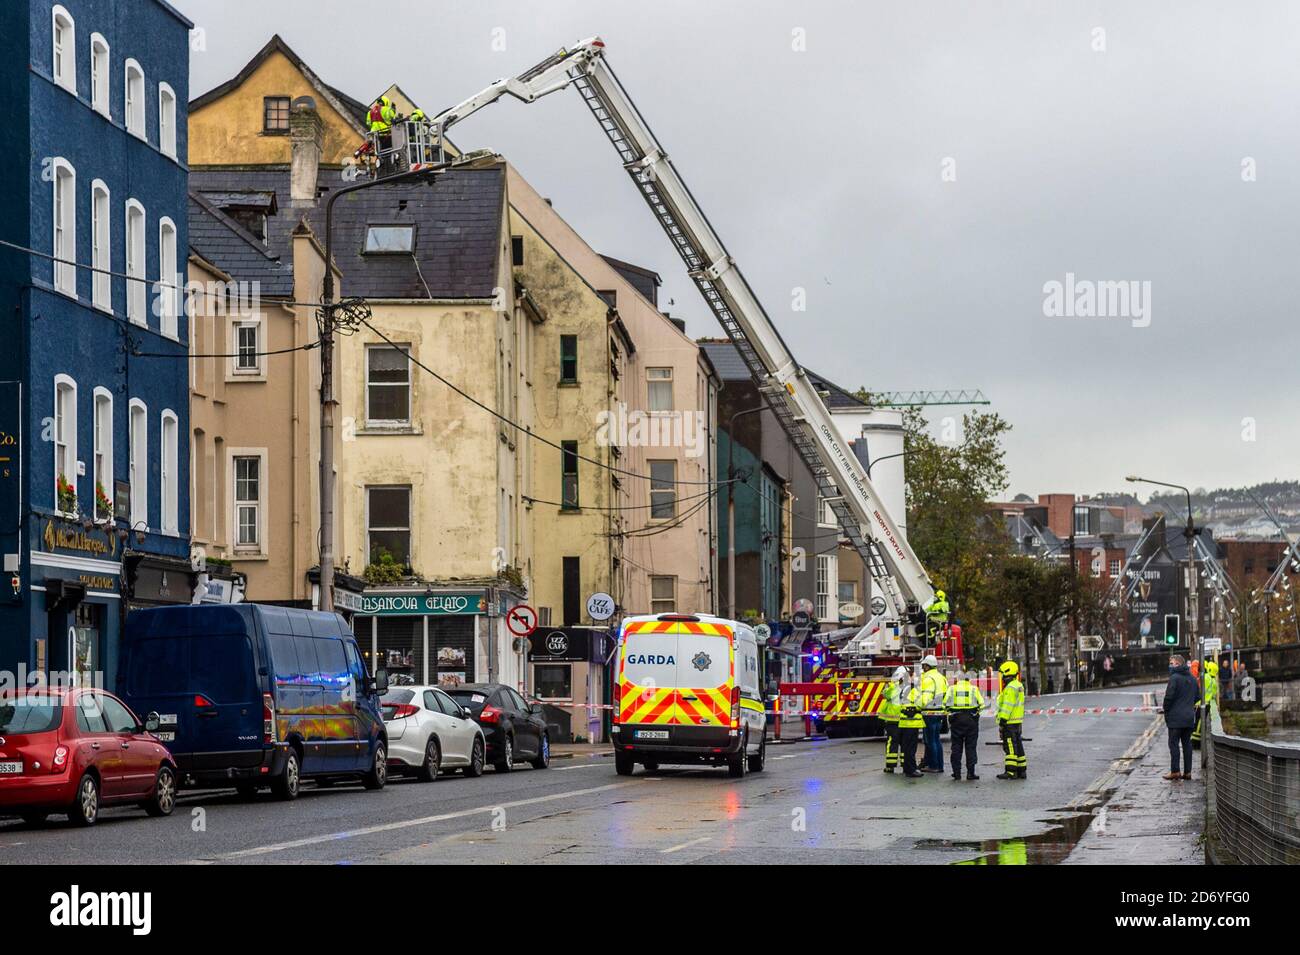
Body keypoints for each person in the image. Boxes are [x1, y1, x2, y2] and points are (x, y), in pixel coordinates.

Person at [1161, 653, 1201, 780]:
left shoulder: (1174, 678)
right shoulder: (1193, 679)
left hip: (1175, 718)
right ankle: (1188, 772)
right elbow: (1197, 697)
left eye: (1171, 663)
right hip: (1189, 718)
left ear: (1178, 664)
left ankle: (1175, 771)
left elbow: (1168, 698)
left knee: (1173, 744)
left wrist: (1166, 709)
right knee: (1187, 744)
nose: (1170, 666)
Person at [944, 670, 984, 780]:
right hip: (971, 719)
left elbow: (944, 703)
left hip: (956, 720)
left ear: (957, 679)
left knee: (956, 746)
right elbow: (982, 704)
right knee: (970, 747)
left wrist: (950, 713)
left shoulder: (952, 689)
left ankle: (956, 773)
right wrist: (976, 713)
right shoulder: (973, 689)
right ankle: (970, 773)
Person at [995, 660, 1027, 780]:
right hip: (1017, 721)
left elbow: (1007, 706)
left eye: (1003, 674)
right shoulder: (1019, 685)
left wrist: (1002, 719)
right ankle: (1021, 770)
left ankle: (1011, 771)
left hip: (1009, 722)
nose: (1002, 677)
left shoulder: (1010, 688)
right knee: (1018, 745)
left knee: (1010, 746)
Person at [918, 654, 948, 773]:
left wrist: (916, 705)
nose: (922, 668)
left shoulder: (928, 679)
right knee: (936, 740)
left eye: (923, 665)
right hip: (940, 712)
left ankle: (933, 766)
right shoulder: (941, 678)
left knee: (930, 740)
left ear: (927, 666)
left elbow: (926, 698)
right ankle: (939, 766)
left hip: (929, 712)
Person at [897, 673, 925, 778]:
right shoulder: (914, 691)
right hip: (913, 723)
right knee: (911, 748)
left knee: (906, 747)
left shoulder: (904, 690)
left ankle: (908, 768)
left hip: (904, 722)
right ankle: (911, 770)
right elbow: (921, 704)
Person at [880, 666, 906, 773]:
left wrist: (891, 683)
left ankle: (890, 766)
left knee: (892, 743)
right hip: (905, 720)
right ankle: (906, 765)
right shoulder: (909, 688)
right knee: (905, 743)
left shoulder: (892, 688)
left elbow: (884, 694)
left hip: (892, 721)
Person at [1192, 659, 1220, 747]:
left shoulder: (1205, 677)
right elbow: (1214, 694)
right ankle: (1199, 740)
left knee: (1198, 724)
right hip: (1207, 704)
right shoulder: (1214, 681)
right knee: (1202, 723)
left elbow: (1197, 685)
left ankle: (1195, 742)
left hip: (1201, 704)